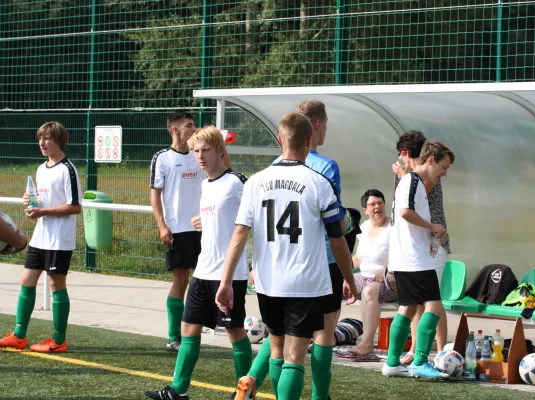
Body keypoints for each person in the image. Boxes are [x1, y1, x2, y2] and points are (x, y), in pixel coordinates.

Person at [215, 112, 358, 400]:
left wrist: (226, 281)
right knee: (296, 356)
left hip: (268, 282)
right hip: (306, 282)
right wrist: (350, 280)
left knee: (276, 349)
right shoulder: (318, 183)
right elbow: (338, 241)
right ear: (309, 140)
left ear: (280, 140)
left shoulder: (255, 182)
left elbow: (239, 235)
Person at [144, 126, 252, 400]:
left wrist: (254, 267)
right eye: (196, 151)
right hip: (203, 270)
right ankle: (178, 390)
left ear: (219, 151)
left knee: (235, 332)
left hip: (230, 274)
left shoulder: (238, 183)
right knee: (188, 328)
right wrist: (205, 222)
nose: (200, 156)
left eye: (206, 150)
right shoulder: (205, 184)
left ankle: (245, 392)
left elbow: (254, 223)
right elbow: (222, 219)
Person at [150, 111, 231, 351]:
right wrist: (162, 225)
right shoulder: (162, 158)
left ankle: (216, 322)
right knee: (181, 279)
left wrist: (220, 146)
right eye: (188, 125)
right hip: (179, 229)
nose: (193, 129)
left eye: (194, 125)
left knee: (213, 275)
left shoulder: (200, 155)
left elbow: (226, 171)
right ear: (175, 130)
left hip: (206, 226)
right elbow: (155, 194)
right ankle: (175, 335)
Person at [0, 121, 82, 353]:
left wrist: (43, 211)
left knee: (57, 286)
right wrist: (30, 203)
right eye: (40, 139)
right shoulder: (41, 169)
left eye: (47, 139)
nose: (42, 143)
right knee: (26, 282)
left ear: (59, 141)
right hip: (40, 237)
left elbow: (75, 207)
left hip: (59, 240)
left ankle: (58, 340)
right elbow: (40, 203)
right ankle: (19, 335)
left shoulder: (68, 169)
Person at [382, 140, 454, 379]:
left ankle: (393, 362)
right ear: (431, 159)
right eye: (443, 166)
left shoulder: (416, 183)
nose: (445, 172)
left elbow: (408, 218)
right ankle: (420, 361)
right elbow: (405, 212)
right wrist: (432, 225)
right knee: (432, 304)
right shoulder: (412, 181)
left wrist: (431, 237)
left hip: (408, 257)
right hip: (413, 259)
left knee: (409, 307)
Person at [337, 189, 395, 361]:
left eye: (380, 203)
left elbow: (402, 255)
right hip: (363, 278)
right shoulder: (363, 227)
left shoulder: (394, 228)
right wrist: (343, 275)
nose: (377, 207)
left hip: (389, 281)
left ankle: (367, 343)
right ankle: (321, 337)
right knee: (330, 285)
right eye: (372, 204)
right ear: (365, 210)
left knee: (369, 291)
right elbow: (357, 258)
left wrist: (385, 269)